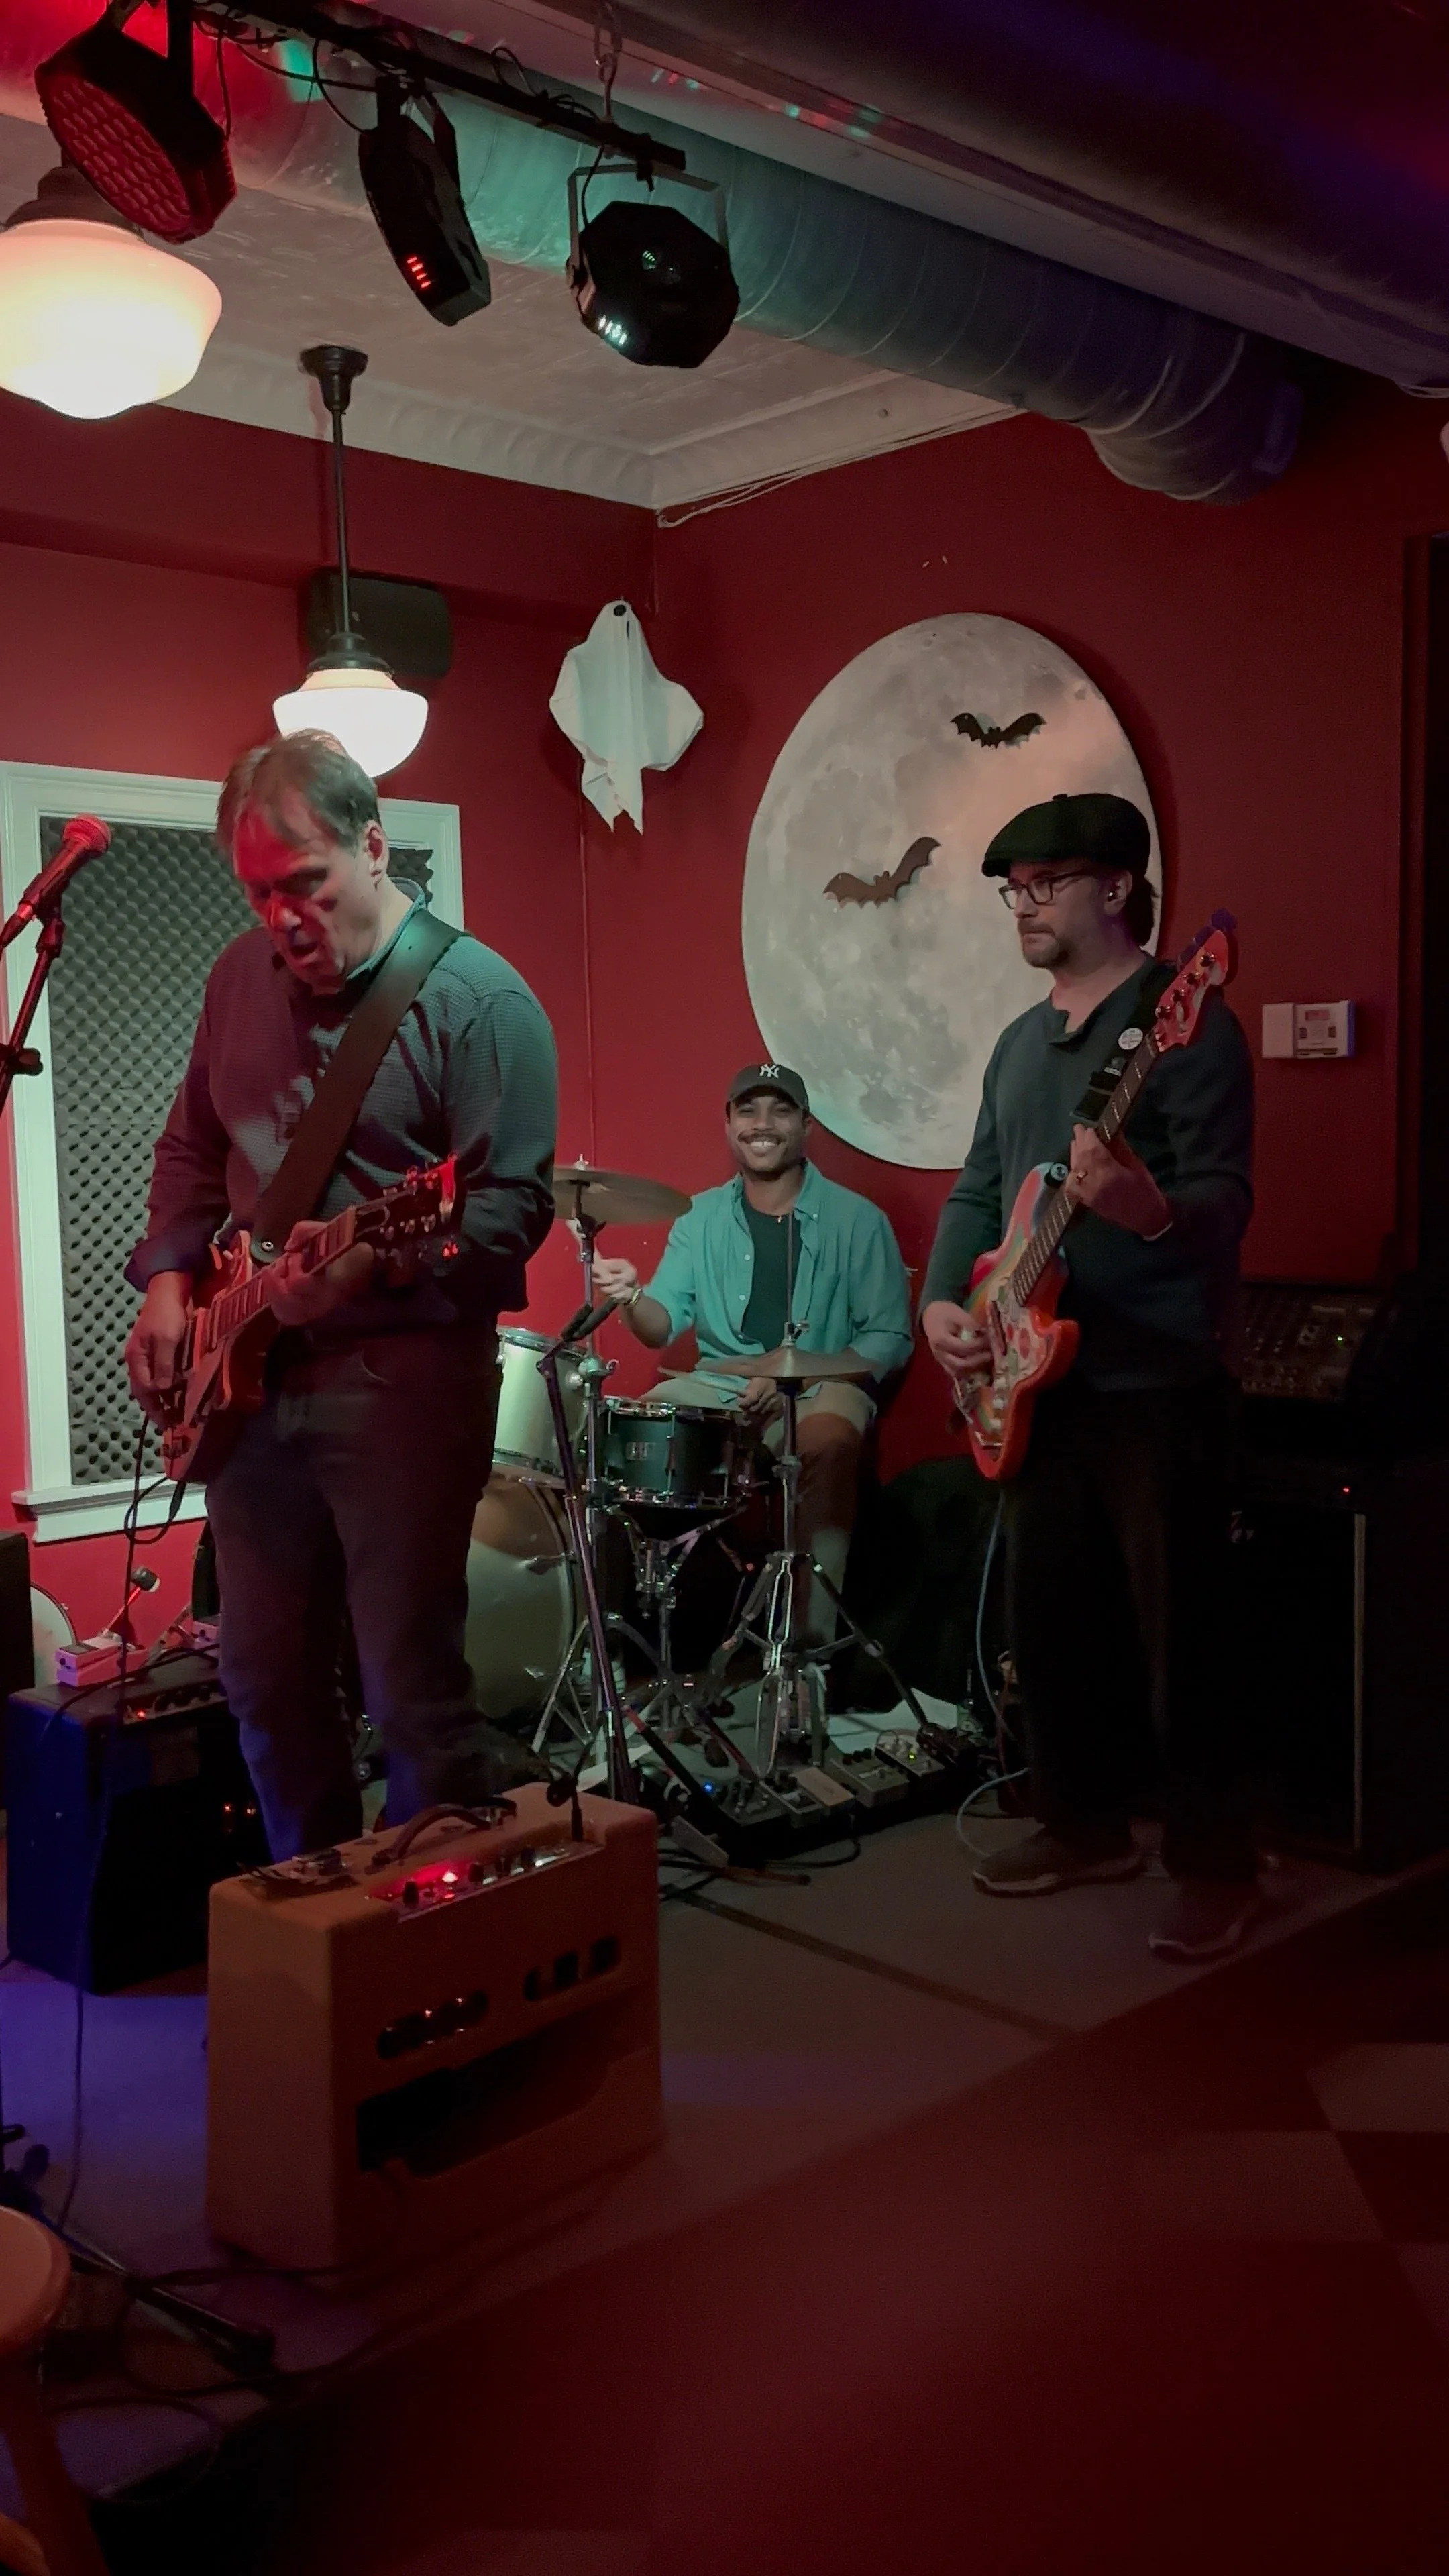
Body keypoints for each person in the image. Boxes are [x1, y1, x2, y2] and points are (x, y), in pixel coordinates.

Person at [123, 731, 558, 1860]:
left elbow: (513, 1212)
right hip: (251, 1391)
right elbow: (191, 1145)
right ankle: (321, 1940)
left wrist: (381, 1258)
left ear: (374, 845)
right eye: (259, 892)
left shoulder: (478, 1001)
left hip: (403, 1381)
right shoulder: (234, 981)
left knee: (408, 1681)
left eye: (304, 884)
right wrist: (172, 1281)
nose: (282, 919)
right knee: (263, 1679)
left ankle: (437, 1962)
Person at [920, 792, 1256, 1964]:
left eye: (1044, 883)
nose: (1023, 904)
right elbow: (979, 1187)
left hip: (1155, 1379)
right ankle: (1084, 1824)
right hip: (1036, 1376)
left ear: (1115, 889)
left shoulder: (1184, 1025)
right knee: (1051, 1622)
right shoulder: (1022, 1044)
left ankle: (1218, 1865)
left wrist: (1146, 1209)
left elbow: (1225, 1201)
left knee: (1187, 1635)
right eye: (1012, 888)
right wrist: (944, 1307)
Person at [590, 1063, 912, 1636]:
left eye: (780, 1110)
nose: (762, 1124)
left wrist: (796, 1375)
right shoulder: (700, 1216)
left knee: (829, 1441)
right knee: (631, 1432)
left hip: (820, 1388)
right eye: (748, 1110)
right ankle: (634, 1647)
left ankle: (806, 1652)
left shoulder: (860, 1221)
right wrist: (631, 1295)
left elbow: (889, 1338)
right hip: (719, 1384)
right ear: (729, 1124)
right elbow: (660, 1327)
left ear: (806, 1125)